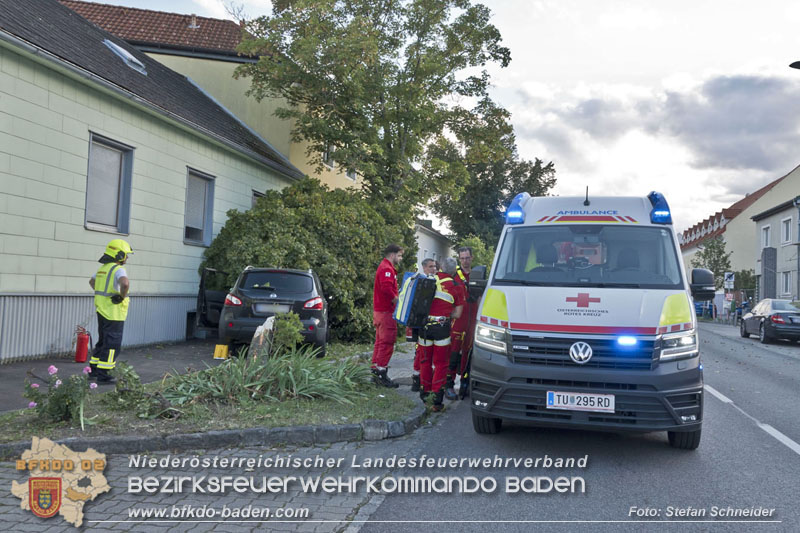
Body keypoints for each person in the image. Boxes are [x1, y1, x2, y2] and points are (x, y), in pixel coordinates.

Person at [417, 257, 464, 411]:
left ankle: (425, 395)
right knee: (441, 363)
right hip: (442, 327)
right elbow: (457, 314)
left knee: (425, 360)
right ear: (454, 271)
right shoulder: (457, 286)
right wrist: (445, 312)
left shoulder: (429, 279)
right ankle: (436, 399)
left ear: (440, 268)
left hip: (424, 326)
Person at [89, 239, 133, 384]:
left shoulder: (103, 268)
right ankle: (105, 374)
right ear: (119, 255)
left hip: (101, 310)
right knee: (112, 344)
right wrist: (121, 296)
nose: (127, 258)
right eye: (126, 255)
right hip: (114, 313)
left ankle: (93, 370)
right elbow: (125, 283)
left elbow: (92, 282)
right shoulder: (118, 269)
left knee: (102, 341)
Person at [371, 244, 404, 387]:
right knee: (387, 343)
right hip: (386, 312)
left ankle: (375, 370)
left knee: (379, 343)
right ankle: (381, 374)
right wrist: (397, 301)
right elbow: (386, 288)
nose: (401, 259)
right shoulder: (387, 269)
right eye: (400, 255)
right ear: (393, 254)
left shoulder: (385, 267)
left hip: (380, 312)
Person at [410, 258, 438, 392]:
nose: (434, 269)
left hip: (425, 322)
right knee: (420, 352)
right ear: (425, 268)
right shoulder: (422, 281)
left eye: (435, 266)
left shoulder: (432, 281)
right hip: (420, 323)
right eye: (431, 267)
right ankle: (417, 378)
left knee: (422, 352)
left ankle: (419, 377)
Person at [454, 246, 478, 397]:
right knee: (453, 351)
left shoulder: (478, 275)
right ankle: (449, 383)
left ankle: (465, 381)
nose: (464, 261)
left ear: (472, 258)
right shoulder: (454, 275)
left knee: (468, 352)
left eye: (467, 258)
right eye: (462, 258)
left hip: (473, 318)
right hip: (457, 319)